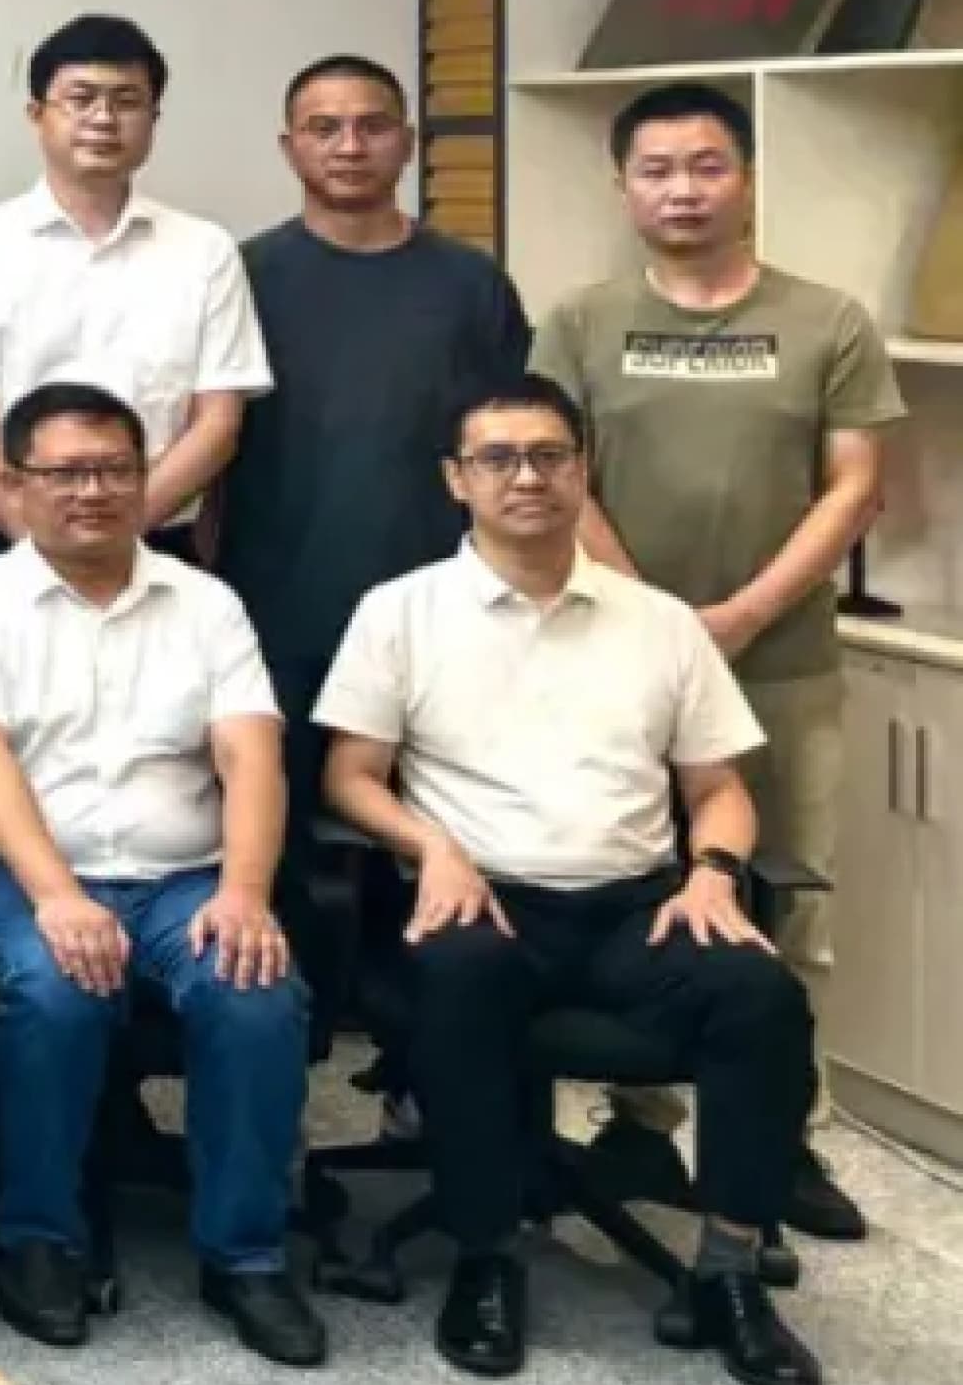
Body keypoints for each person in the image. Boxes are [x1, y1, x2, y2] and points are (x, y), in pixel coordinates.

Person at [319, 375, 823, 1385]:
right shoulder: (400, 612)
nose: (527, 477)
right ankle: (485, 1254)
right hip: (481, 897)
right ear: (457, 479)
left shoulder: (659, 623)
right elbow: (350, 776)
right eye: (498, 458)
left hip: (636, 905)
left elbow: (718, 787)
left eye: (550, 455)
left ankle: (728, 1271)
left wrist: (714, 872)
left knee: (760, 995)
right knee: (461, 977)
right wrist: (432, 846)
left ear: (582, 470)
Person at [529, 78, 895, 1241]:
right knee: (642, 884)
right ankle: (637, 1123)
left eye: (706, 166)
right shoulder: (580, 320)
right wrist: (658, 617)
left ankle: (782, 1138)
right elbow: (557, 476)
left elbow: (853, 485)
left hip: (782, 658)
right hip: (611, 658)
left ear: (747, 180)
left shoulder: (828, 319)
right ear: (623, 186)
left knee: (789, 895)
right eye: (656, 169)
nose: (681, 189)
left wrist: (741, 612)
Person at [0, 381, 321, 1365]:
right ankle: (40, 1238)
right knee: (51, 992)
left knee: (253, 988)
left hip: (187, 877)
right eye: (66, 473)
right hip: (30, 878)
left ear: (147, 480)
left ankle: (246, 1255)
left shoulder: (206, 602)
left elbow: (251, 755)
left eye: (114, 470)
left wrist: (246, 893)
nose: (93, 491)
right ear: (16, 484)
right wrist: (59, 898)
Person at [225, 59, 530, 752]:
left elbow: (507, 445)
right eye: (324, 129)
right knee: (288, 806)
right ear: (289, 147)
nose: (350, 147)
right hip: (275, 610)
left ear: (410, 142)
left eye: (373, 127)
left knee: (437, 805)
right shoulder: (241, 277)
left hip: (442, 609)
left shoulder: (470, 283)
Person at [0, 15, 271, 569]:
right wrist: (35, 537)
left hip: (154, 537)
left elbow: (217, 422)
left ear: (153, 119)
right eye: (80, 100)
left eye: (126, 101)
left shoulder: (205, 250)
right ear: (37, 114)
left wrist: (112, 533)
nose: (103, 119)